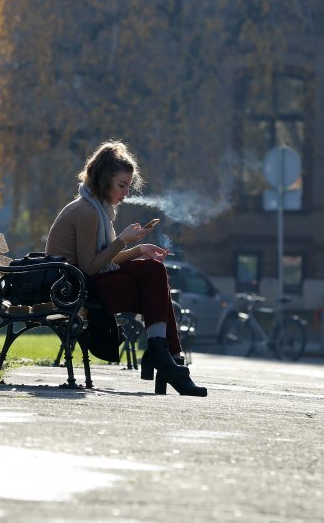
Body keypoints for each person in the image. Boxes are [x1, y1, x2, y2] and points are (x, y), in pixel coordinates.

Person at [45, 140, 207, 397]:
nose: (126, 193)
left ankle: (163, 354)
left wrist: (140, 249)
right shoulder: (87, 212)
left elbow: (102, 261)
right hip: (75, 289)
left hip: (83, 282)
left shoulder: (99, 209)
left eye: (128, 186)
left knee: (153, 270)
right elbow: (89, 266)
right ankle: (169, 358)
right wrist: (122, 240)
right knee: (154, 288)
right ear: (102, 181)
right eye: (122, 185)